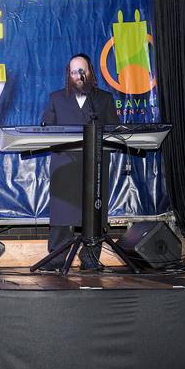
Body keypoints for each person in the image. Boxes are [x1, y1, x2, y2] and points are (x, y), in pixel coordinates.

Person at [41, 53, 117, 271]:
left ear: (90, 72)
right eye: (73, 72)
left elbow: (115, 129)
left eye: (81, 71)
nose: (77, 76)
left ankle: (90, 258)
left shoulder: (103, 99)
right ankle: (56, 259)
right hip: (65, 165)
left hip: (95, 167)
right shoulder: (56, 98)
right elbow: (46, 127)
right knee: (62, 214)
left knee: (94, 214)